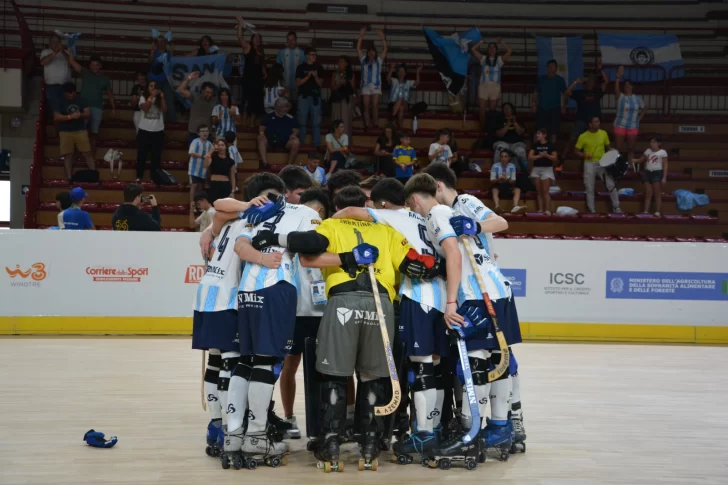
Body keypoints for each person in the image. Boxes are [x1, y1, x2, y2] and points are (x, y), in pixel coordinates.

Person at [248, 184, 439, 469]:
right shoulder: (387, 231)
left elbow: (309, 243)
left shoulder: (331, 225)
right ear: (367, 207)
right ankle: (370, 445)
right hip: (380, 304)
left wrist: (273, 237)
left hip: (342, 302)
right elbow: (417, 265)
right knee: (373, 377)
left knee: (334, 375)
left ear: (337, 207)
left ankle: (331, 444)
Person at [331, 178, 449, 456]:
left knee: (419, 367)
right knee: (433, 367)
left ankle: (423, 435)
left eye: (373, 204)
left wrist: (332, 224)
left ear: (382, 203)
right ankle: (433, 429)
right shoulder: (424, 216)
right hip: (442, 295)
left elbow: (348, 212)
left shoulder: (389, 215)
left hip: (418, 295)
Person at [410, 165, 520, 456]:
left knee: (480, 361)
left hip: (479, 291)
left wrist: (476, 226)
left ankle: (475, 432)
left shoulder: (463, 202)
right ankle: (499, 427)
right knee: (496, 360)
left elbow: (500, 222)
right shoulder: (443, 213)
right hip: (493, 290)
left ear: (437, 185)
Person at [217, 173, 321, 465]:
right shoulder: (304, 212)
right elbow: (316, 242)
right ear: (286, 193)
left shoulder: (257, 211)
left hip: (247, 288)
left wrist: (259, 257)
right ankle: (257, 437)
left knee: (245, 360)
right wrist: (271, 254)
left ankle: (234, 434)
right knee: (264, 361)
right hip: (277, 287)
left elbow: (240, 245)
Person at [67, 54, 115, 154]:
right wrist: (71, 49)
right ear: (89, 65)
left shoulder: (105, 79)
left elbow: (110, 94)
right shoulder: (85, 72)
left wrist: (113, 108)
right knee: (81, 131)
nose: (94, 67)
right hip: (84, 107)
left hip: (97, 107)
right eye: (93, 65)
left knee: (94, 133)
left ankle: (92, 154)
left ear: (100, 66)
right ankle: (79, 153)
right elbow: (71, 62)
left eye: (97, 65)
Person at [574, 116, 620, 213]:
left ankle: (616, 207)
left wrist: (612, 151)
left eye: (598, 121)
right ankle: (592, 210)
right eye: (595, 122)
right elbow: (576, 151)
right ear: (590, 124)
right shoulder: (583, 136)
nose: (598, 123)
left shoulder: (603, 133)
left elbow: (608, 147)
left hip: (602, 163)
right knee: (589, 187)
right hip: (589, 163)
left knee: (611, 184)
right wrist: (585, 155)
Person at [53, 83, 96, 181]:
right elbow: (56, 117)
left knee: (87, 153)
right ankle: (69, 178)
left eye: (72, 94)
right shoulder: (59, 101)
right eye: (68, 95)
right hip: (65, 131)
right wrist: (70, 117)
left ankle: (94, 175)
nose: (71, 96)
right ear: (65, 94)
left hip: (80, 129)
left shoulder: (82, 99)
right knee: (68, 155)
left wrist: (79, 115)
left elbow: (87, 113)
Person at [564, 66, 607, 161]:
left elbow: (606, 82)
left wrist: (601, 70)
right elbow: (567, 92)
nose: (591, 82)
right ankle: (563, 159)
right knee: (572, 139)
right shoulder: (580, 93)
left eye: (592, 80)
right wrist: (576, 82)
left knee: (597, 141)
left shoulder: (597, 92)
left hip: (594, 122)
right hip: (581, 120)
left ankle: (599, 160)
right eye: (589, 80)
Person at [471, 37, 512, 129]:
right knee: (482, 109)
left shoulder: (499, 60)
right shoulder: (483, 58)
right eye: (490, 47)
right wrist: (481, 41)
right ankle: (482, 128)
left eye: (494, 47)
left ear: (496, 50)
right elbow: (473, 49)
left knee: (492, 110)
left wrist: (502, 42)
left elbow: (509, 51)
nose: (492, 49)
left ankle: (490, 128)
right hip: (483, 86)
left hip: (495, 86)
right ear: (488, 49)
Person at [614, 65, 647, 161]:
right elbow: (616, 90)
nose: (627, 86)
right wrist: (617, 78)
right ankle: (618, 164)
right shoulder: (620, 96)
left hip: (633, 125)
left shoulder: (637, 98)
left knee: (631, 148)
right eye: (625, 85)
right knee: (618, 148)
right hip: (620, 124)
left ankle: (630, 165)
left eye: (629, 85)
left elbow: (645, 108)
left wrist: (639, 119)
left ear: (633, 87)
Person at [237, 20, 267, 128]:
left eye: (259, 38)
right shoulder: (248, 47)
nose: (257, 39)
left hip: (258, 80)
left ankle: (252, 123)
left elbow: (261, 64)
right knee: (246, 101)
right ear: (252, 39)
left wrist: (265, 73)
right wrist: (240, 24)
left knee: (256, 102)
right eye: (255, 37)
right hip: (248, 79)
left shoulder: (261, 51)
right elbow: (240, 37)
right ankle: (244, 122)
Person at [136, 81, 167, 182]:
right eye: (151, 86)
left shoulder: (160, 98)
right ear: (147, 87)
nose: (153, 88)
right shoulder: (143, 97)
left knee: (156, 157)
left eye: (155, 86)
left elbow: (164, 110)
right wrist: (151, 97)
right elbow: (145, 108)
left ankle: (155, 178)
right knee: (142, 155)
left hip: (158, 131)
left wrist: (162, 98)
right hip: (144, 130)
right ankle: (139, 176)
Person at [357, 28, 388, 130]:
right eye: (369, 52)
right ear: (367, 53)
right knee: (366, 106)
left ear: (375, 53)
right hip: (365, 85)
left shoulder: (379, 61)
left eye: (373, 52)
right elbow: (358, 49)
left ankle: (375, 124)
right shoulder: (363, 60)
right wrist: (361, 36)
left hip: (376, 85)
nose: (371, 53)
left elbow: (385, 49)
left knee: (375, 105)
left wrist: (382, 38)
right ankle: (367, 124)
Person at [532, 59, 566, 146]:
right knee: (538, 130)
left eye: (553, 66)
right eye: (549, 66)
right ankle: (536, 148)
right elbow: (535, 93)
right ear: (547, 68)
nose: (551, 68)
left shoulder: (560, 80)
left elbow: (565, 94)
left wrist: (564, 106)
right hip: (542, 108)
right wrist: (534, 104)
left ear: (556, 68)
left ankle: (551, 148)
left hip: (555, 109)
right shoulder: (541, 79)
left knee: (553, 131)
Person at [258, 97, 301, 168]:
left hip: (285, 142)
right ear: (276, 107)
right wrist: (261, 133)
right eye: (282, 107)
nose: (284, 109)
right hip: (270, 141)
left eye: (286, 107)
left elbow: (296, 129)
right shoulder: (269, 116)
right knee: (260, 138)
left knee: (296, 141)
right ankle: (264, 163)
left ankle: (289, 165)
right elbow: (262, 126)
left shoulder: (291, 118)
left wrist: (293, 134)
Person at [295, 47, 324, 146]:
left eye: (315, 54)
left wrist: (315, 76)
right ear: (307, 56)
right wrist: (308, 76)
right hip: (303, 97)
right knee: (301, 121)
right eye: (312, 54)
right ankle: (301, 143)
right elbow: (298, 83)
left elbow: (320, 84)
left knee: (316, 122)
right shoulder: (301, 67)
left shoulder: (319, 67)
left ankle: (316, 144)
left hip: (315, 97)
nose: (314, 56)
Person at [178, 73, 217, 145]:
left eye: (211, 93)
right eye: (207, 92)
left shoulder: (215, 100)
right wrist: (189, 78)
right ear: (202, 91)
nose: (209, 94)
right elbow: (181, 89)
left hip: (207, 134)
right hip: (194, 132)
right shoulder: (195, 96)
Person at [633, 136, 668, 216]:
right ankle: (646, 211)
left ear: (659, 143)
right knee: (648, 193)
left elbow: (665, 165)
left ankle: (657, 211)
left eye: (654, 142)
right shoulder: (648, 151)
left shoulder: (663, 152)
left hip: (657, 173)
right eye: (651, 142)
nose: (651, 144)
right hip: (648, 173)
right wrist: (635, 160)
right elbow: (641, 160)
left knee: (657, 193)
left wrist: (664, 178)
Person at [39, 34, 72, 113]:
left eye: (57, 42)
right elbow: (43, 62)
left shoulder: (66, 52)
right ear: (50, 43)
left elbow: (72, 63)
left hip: (66, 87)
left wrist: (62, 51)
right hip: (52, 87)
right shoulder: (45, 51)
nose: (56, 44)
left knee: (65, 110)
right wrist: (55, 52)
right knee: (55, 111)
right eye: (53, 42)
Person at [528, 128, 558, 215]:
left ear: (544, 135)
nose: (537, 135)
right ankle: (540, 210)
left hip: (547, 169)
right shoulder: (535, 145)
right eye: (537, 134)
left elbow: (555, 158)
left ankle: (547, 210)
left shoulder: (550, 145)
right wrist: (539, 156)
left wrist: (546, 155)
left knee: (545, 191)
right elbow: (530, 157)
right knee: (539, 191)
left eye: (539, 134)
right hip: (536, 169)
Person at [148, 32, 176, 123]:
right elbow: (150, 62)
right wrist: (152, 53)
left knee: (169, 99)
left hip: (166, 80)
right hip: (155, 80)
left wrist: (171, 48)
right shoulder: (154, 52)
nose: (161, 43)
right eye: (159, 41)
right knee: (156, 100)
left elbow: (173, 62)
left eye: (163, 41)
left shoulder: (168, 53)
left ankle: (172, 120)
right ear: (156, 43)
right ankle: (157, 120)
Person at [492, 102, 528, 172]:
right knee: (500, 148)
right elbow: (499, 134)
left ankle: (524, 171)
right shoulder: (499, 119)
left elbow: (521, 132)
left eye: (508, 108)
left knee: (521, 151)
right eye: (505, 108)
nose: (507, 110)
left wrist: (514, 123)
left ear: (512, 110)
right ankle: (496, 170)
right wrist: (507, 125)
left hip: (517, 143)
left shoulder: (518, 119)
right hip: (502, 142)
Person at [387, 63, 422, 128]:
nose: (401, 73)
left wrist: (417, 72)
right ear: (397, 73)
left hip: (405, 103)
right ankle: (400, 128)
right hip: (393, 104)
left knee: (401, 99)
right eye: (399, 71)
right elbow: (388, 79)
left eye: (403, 72)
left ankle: (391, 118)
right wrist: (391, 69)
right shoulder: (394, 80)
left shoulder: (408, 82)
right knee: (401, 108)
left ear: (405, 73)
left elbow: (417, 82)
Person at [330, 56, 355, 140]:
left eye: (341, 61)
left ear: (346, 63)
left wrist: (345, 83)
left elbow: (353, 88)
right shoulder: (335, 74)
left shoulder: (351, 74)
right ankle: (335, 141)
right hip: (337, 99)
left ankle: (345, 141)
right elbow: (332, 87)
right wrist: (339, 84)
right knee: (336, 119)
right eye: (339, 62)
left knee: (345, 120)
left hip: (346, 99)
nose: (339, 63)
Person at [276, 31, 305, 102]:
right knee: (285, 104)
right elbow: (277, 68)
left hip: (298, 85)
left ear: (296, 40)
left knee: (296, 104)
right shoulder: (282, 52)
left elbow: (305, 68)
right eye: (289, 40)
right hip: (285, 85)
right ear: (287, 41)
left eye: (293, 39)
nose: (291, 42)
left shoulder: (302, 53)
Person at [188, 125, 213, 205]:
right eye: (202, 131)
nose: (205, 133)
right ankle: (192, 203)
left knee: (200, 186)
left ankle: (198, 204)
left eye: (206, 131)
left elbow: (211, 155)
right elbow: (191, 152)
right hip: (194, 168)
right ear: (198, 133)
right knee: (194, 185)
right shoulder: (195, 141)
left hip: (204, 169)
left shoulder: (209, 144)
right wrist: (202, 156)